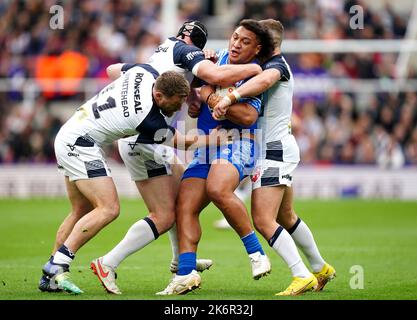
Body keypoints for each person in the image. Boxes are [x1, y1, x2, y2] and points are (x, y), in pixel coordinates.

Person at [89, 21, 265, 295]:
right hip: (147, 139)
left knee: (183, 198)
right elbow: (215, 78)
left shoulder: (159, 54)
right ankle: (107, 263)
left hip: (142, 137)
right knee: (163, 215)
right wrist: (254, 70)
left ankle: (182, 261)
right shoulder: (186, 53)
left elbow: (113, 70)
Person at [38, 68, 227, 294]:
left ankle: (48, 278)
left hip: (70, 131)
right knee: (109, 208)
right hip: (81, 145)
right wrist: (215, 139)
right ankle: (58, 263)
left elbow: (112, 69)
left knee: (80, 211)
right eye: (177, 103)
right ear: (158, 96)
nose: (179, 108)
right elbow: (183, 142)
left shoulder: (143, 72)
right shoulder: (149, 120)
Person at [212, 19, 336, 296]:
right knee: (287, 216)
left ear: (268, 43)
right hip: (277, 148)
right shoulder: (267, 65)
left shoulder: (276, 67)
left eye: (255, 40)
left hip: (274, 151)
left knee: (263, 219)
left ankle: (300, 274)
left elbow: (265, 80)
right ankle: (320, 267)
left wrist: (230, 97)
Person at [157, 19, 275, 295]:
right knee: (184, 206)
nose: (236, 44)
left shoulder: (256, 73)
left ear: (256, 48)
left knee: (217, 188)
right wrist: (207, 99)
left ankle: (256, 253)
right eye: (235, 37)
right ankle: (185, 274)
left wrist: (223, 104)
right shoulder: (214, 58)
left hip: (238, 141)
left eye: (245, 42)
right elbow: (200, 95)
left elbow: (247, 116)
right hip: (207, 145)